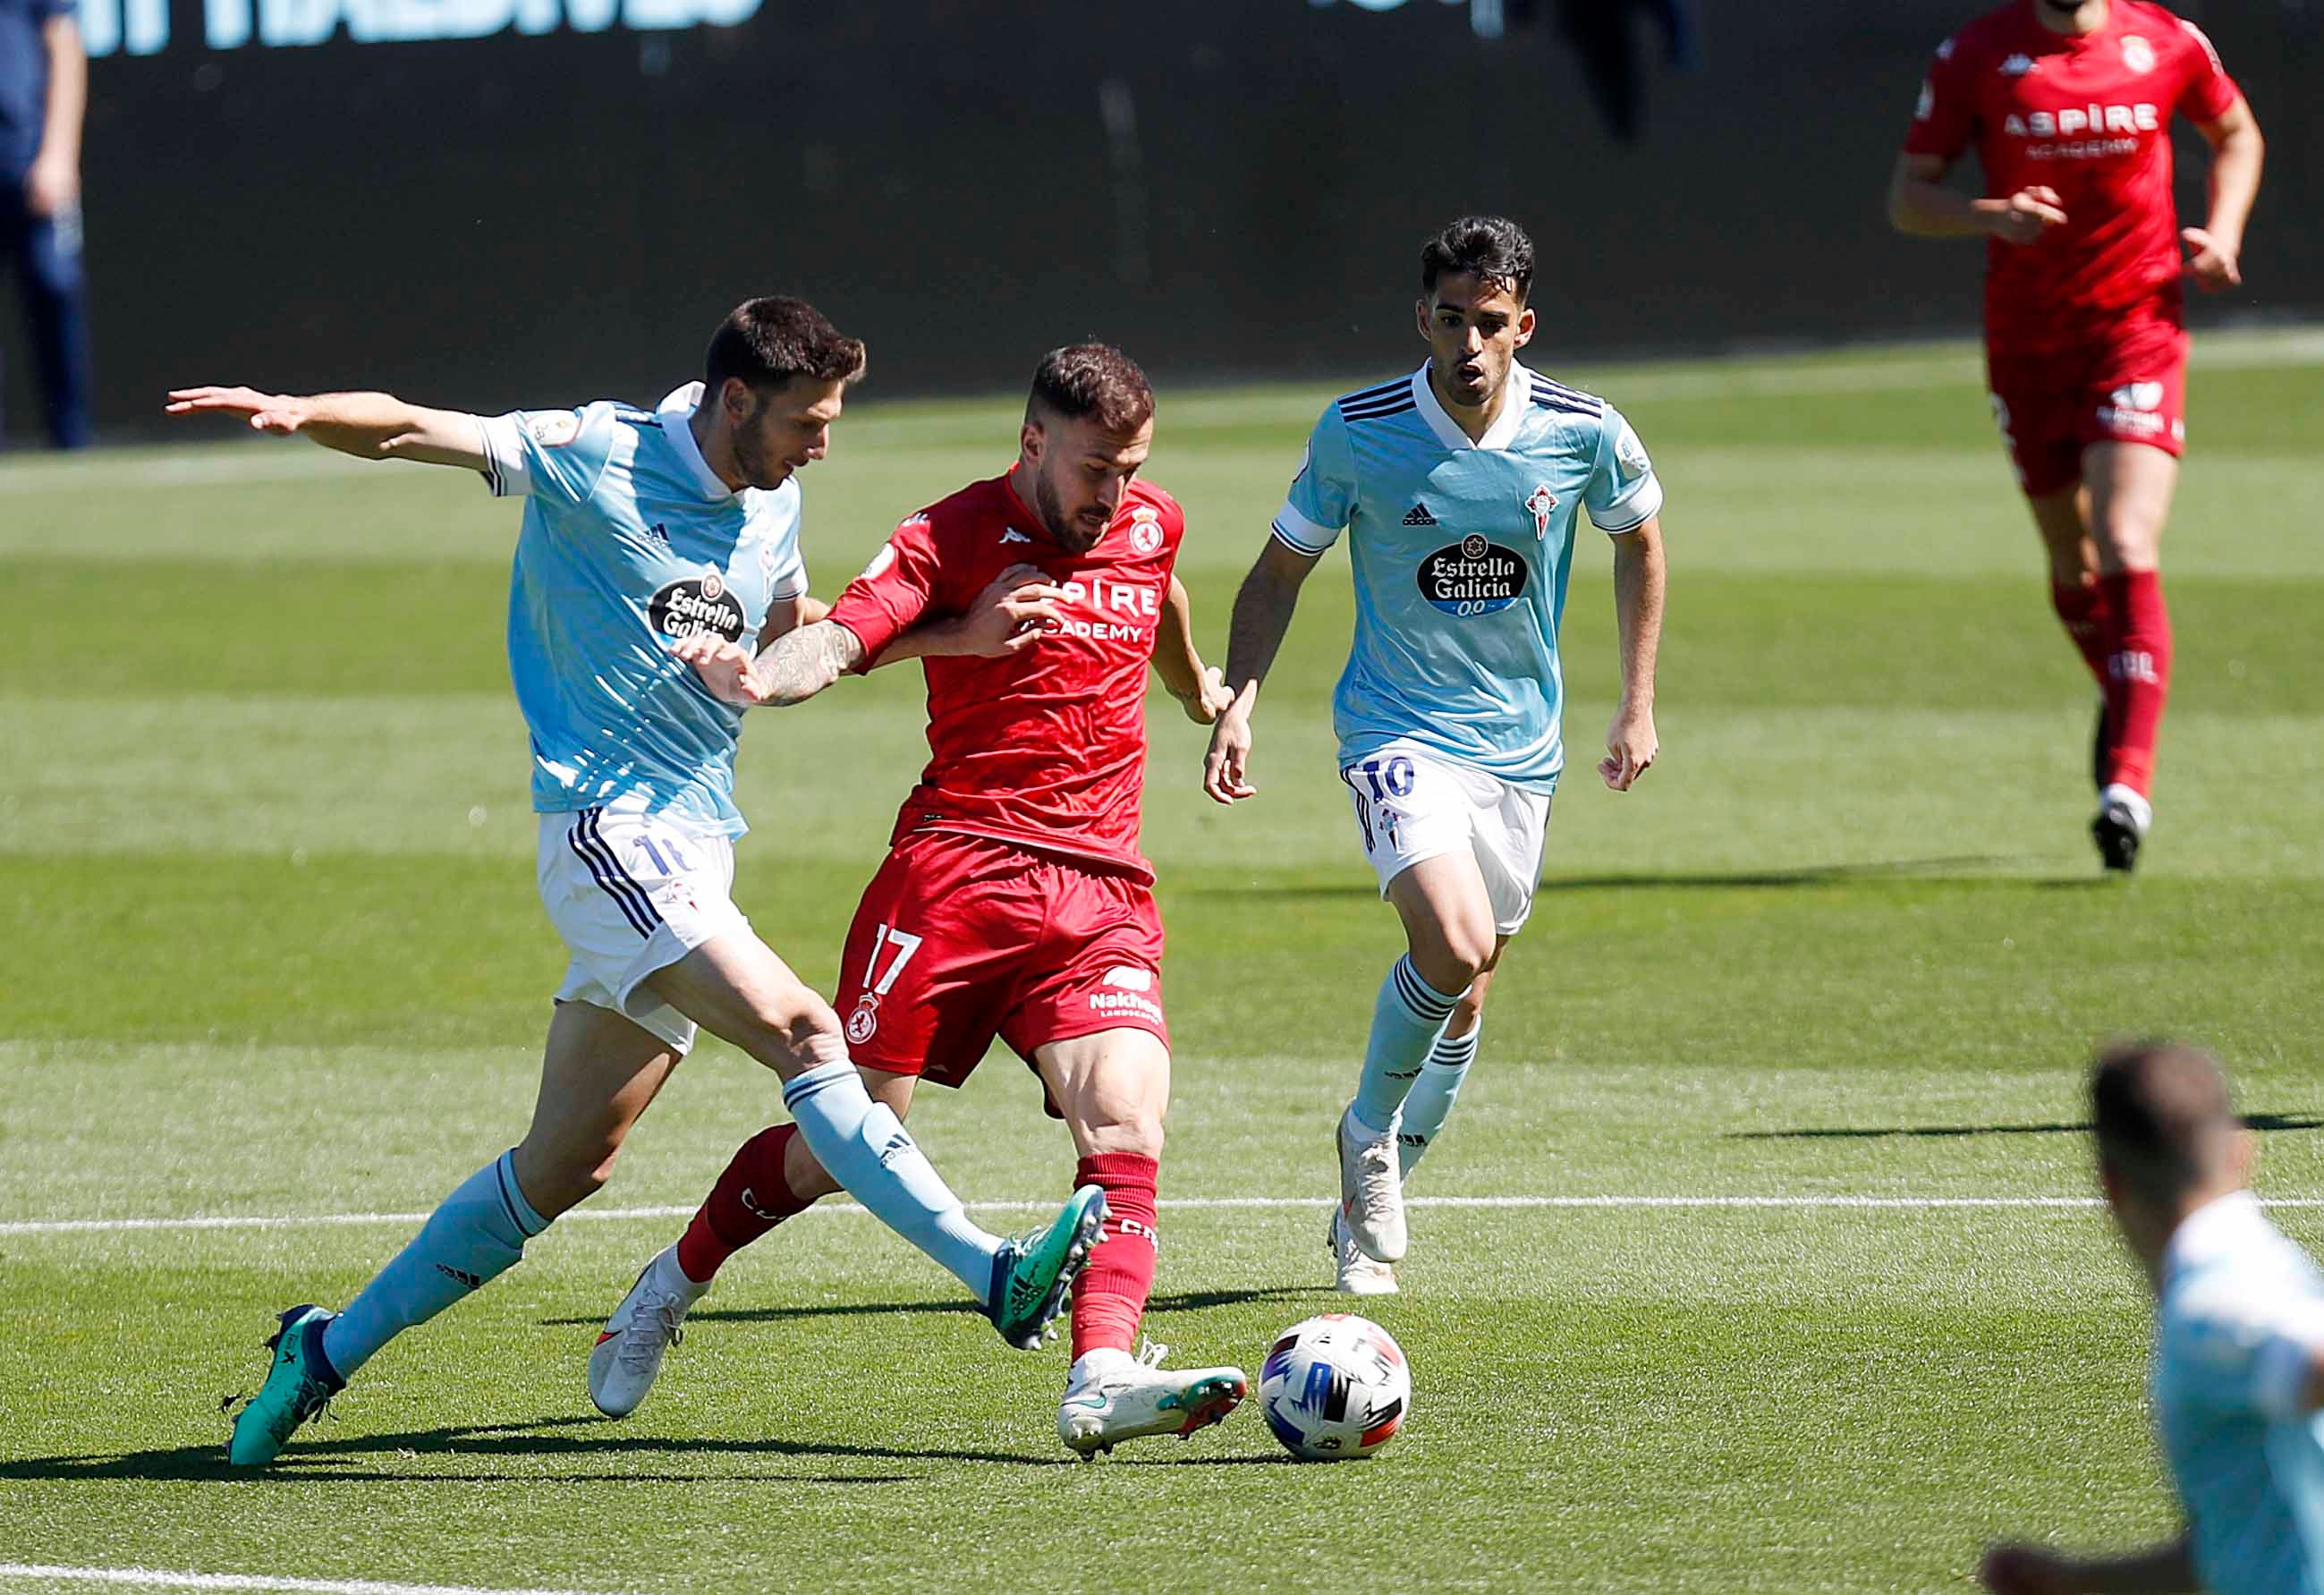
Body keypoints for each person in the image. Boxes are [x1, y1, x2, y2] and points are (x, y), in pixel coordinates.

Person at [165, 297, 1108, 1468]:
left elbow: (790, 635)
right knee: (806, 1032)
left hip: (695, 843)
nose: (824, 442)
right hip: (607, 830)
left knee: (563, 1165)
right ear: (733, 399)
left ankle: (323, 1350)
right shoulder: (595, 453)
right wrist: (304, 410)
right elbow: (415, 426)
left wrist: (948, 641)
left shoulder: (775, 504)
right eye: (808, 420)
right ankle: (993, 1270)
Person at [587, 343, 1251, 1459]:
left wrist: (1206, 694)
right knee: (848, 1136)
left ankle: (1099, 1372)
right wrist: (768, 673)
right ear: (1034, 442)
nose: (1115, 496)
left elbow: (1161, 589)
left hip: (1100, 890)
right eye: (1096, 469)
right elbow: (844, 636)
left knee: (1130, 1122)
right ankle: (670, 1282)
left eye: (1132, 469)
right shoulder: (945, 537)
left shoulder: (1148, 522)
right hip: (955, 875)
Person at [1201, 216, 1667, 1295]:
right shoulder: (1357, 431)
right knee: (1452, 942)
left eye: (1489, 323)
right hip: (1395, 732)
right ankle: (1367, 1134)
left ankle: (1366, 1214)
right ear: (1421, 319)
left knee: (1469, 988)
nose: (1467, 343)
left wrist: (1635, 703)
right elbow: (1277, 574)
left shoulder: (1583, 429)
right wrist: (1241, 700)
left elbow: (1639, 537)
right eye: (1449, 319)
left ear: (1523, 327)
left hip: (1522, 750)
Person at [1887, 0, 2264, 873]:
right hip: (2027, 342)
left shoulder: (2164, 39)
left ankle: (2125, 784)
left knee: (2129, 540)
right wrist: (1991, 213)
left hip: (2137, 327)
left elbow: (2236, 131)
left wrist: (2226, 233)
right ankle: (2133, 684)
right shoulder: (1978, 52)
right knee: (2074, 565)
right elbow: (1908, 198)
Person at [1980, 1041, 2324, 1595]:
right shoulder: (2270, 1266)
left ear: (2109, 1184)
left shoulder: (2213, 1303)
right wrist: (2071, 1584)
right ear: (2242, 1153)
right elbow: (2236, 1546)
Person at [1, 0, 92, 447]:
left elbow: (65, 47)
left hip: (25, 161)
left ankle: (71, 439)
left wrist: (58, 153)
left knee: (54, 285)